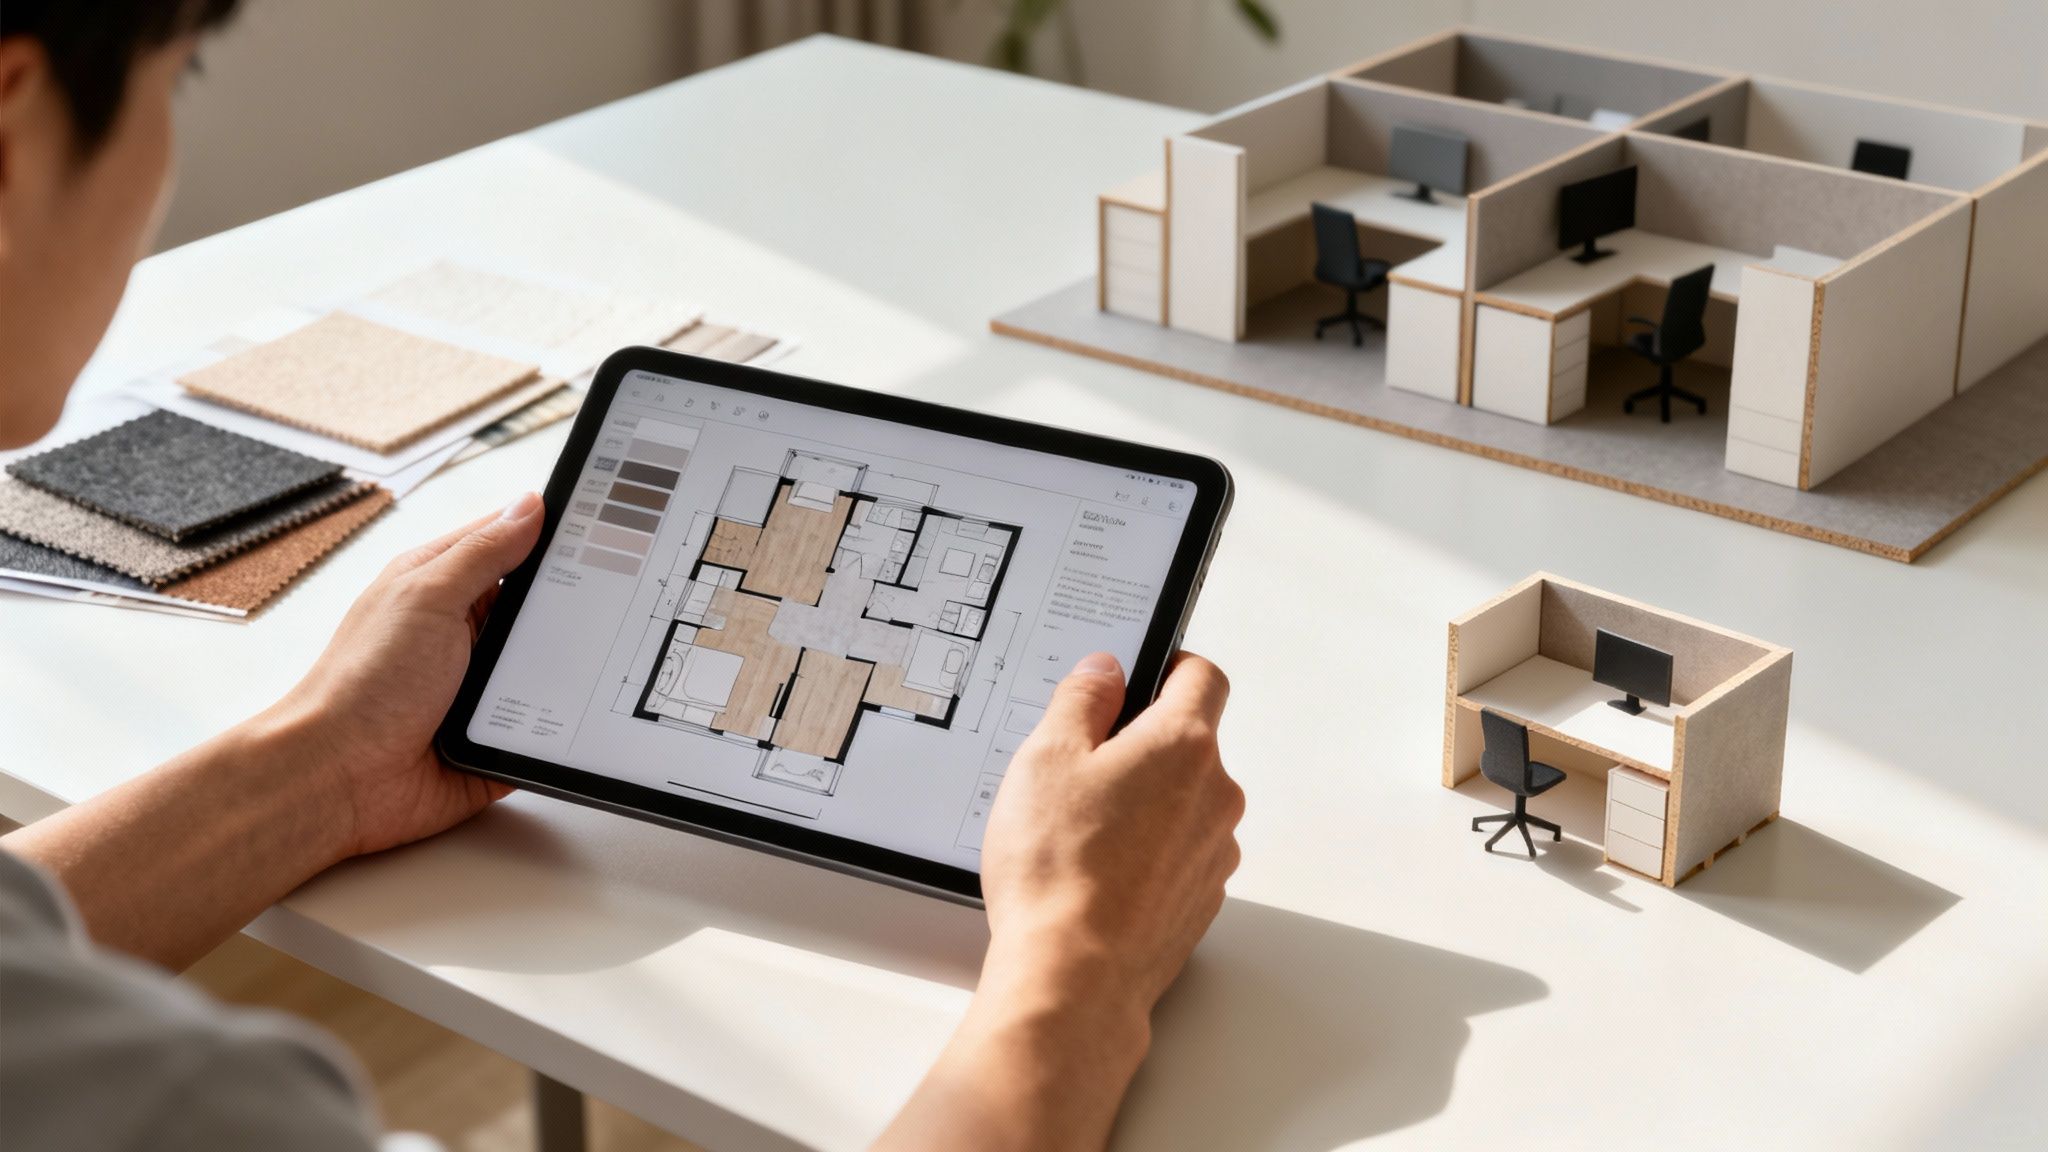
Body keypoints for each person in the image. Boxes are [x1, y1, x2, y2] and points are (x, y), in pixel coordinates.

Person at [0, 4, 1244, 1150]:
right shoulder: (192, 1107)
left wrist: (323, 760)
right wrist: (1080, 964)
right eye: (185, 69)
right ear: (13, 112)